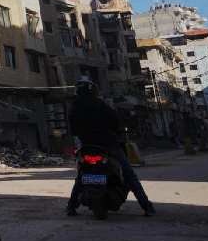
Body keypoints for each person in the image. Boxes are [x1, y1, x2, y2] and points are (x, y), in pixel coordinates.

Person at [66, 77, 156, 216]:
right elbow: (115, 122)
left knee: (81, 176)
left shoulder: (74, 109)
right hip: (108, 146)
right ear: (92, 89)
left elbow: (73, 131)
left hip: (87, 147)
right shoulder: (100, 105)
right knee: (129, 174)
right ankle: (147, 206)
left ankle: (71, 207)